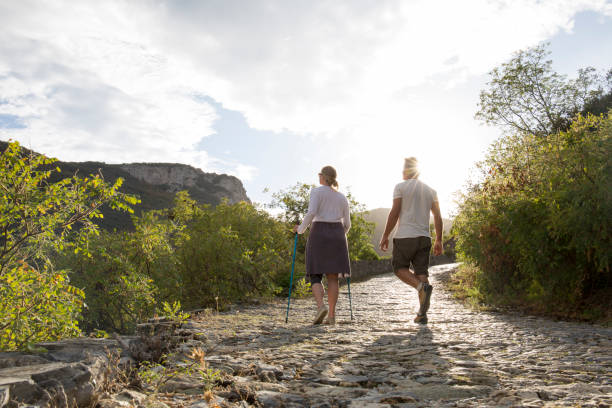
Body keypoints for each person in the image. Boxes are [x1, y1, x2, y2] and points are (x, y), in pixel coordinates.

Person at [379, 157, 443, 324]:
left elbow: (394, 212)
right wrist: (439, 240)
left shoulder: (400, 187)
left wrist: (385, 235)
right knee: (421, 273)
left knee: (399, 268)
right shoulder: (431, 190)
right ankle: (422, 314)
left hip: (405, 236)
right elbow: (437, 216)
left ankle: (422, 288)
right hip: (424, 238)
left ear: (406, 171)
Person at [293, 166, 351, 325]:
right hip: (338, 234)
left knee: (315, 273)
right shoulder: (342, 197)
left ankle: (321, 307)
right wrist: (339, 234)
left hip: (319, 232)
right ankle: (331, 316)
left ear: (323, 177)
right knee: (333, 278)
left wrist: (300, 230)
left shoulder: (316, 192)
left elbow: (311, 213)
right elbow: (348, 224)